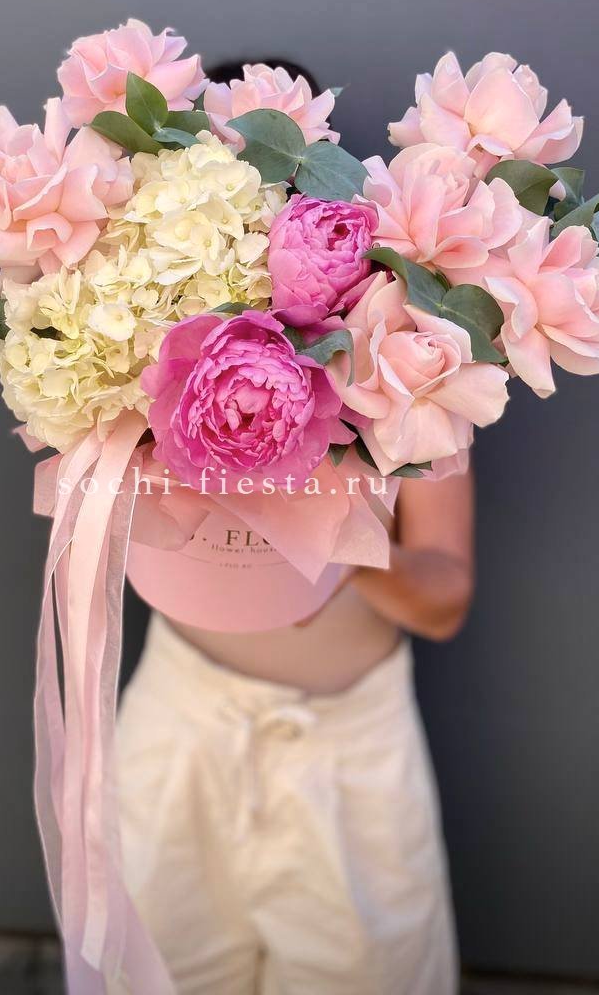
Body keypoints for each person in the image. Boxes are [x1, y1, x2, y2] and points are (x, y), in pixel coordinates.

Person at [116, 60, 473, 995]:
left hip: (349, 755)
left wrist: (328, 541)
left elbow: (444, 598)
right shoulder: (137, 350)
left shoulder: (407, 358)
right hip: (180, 729)